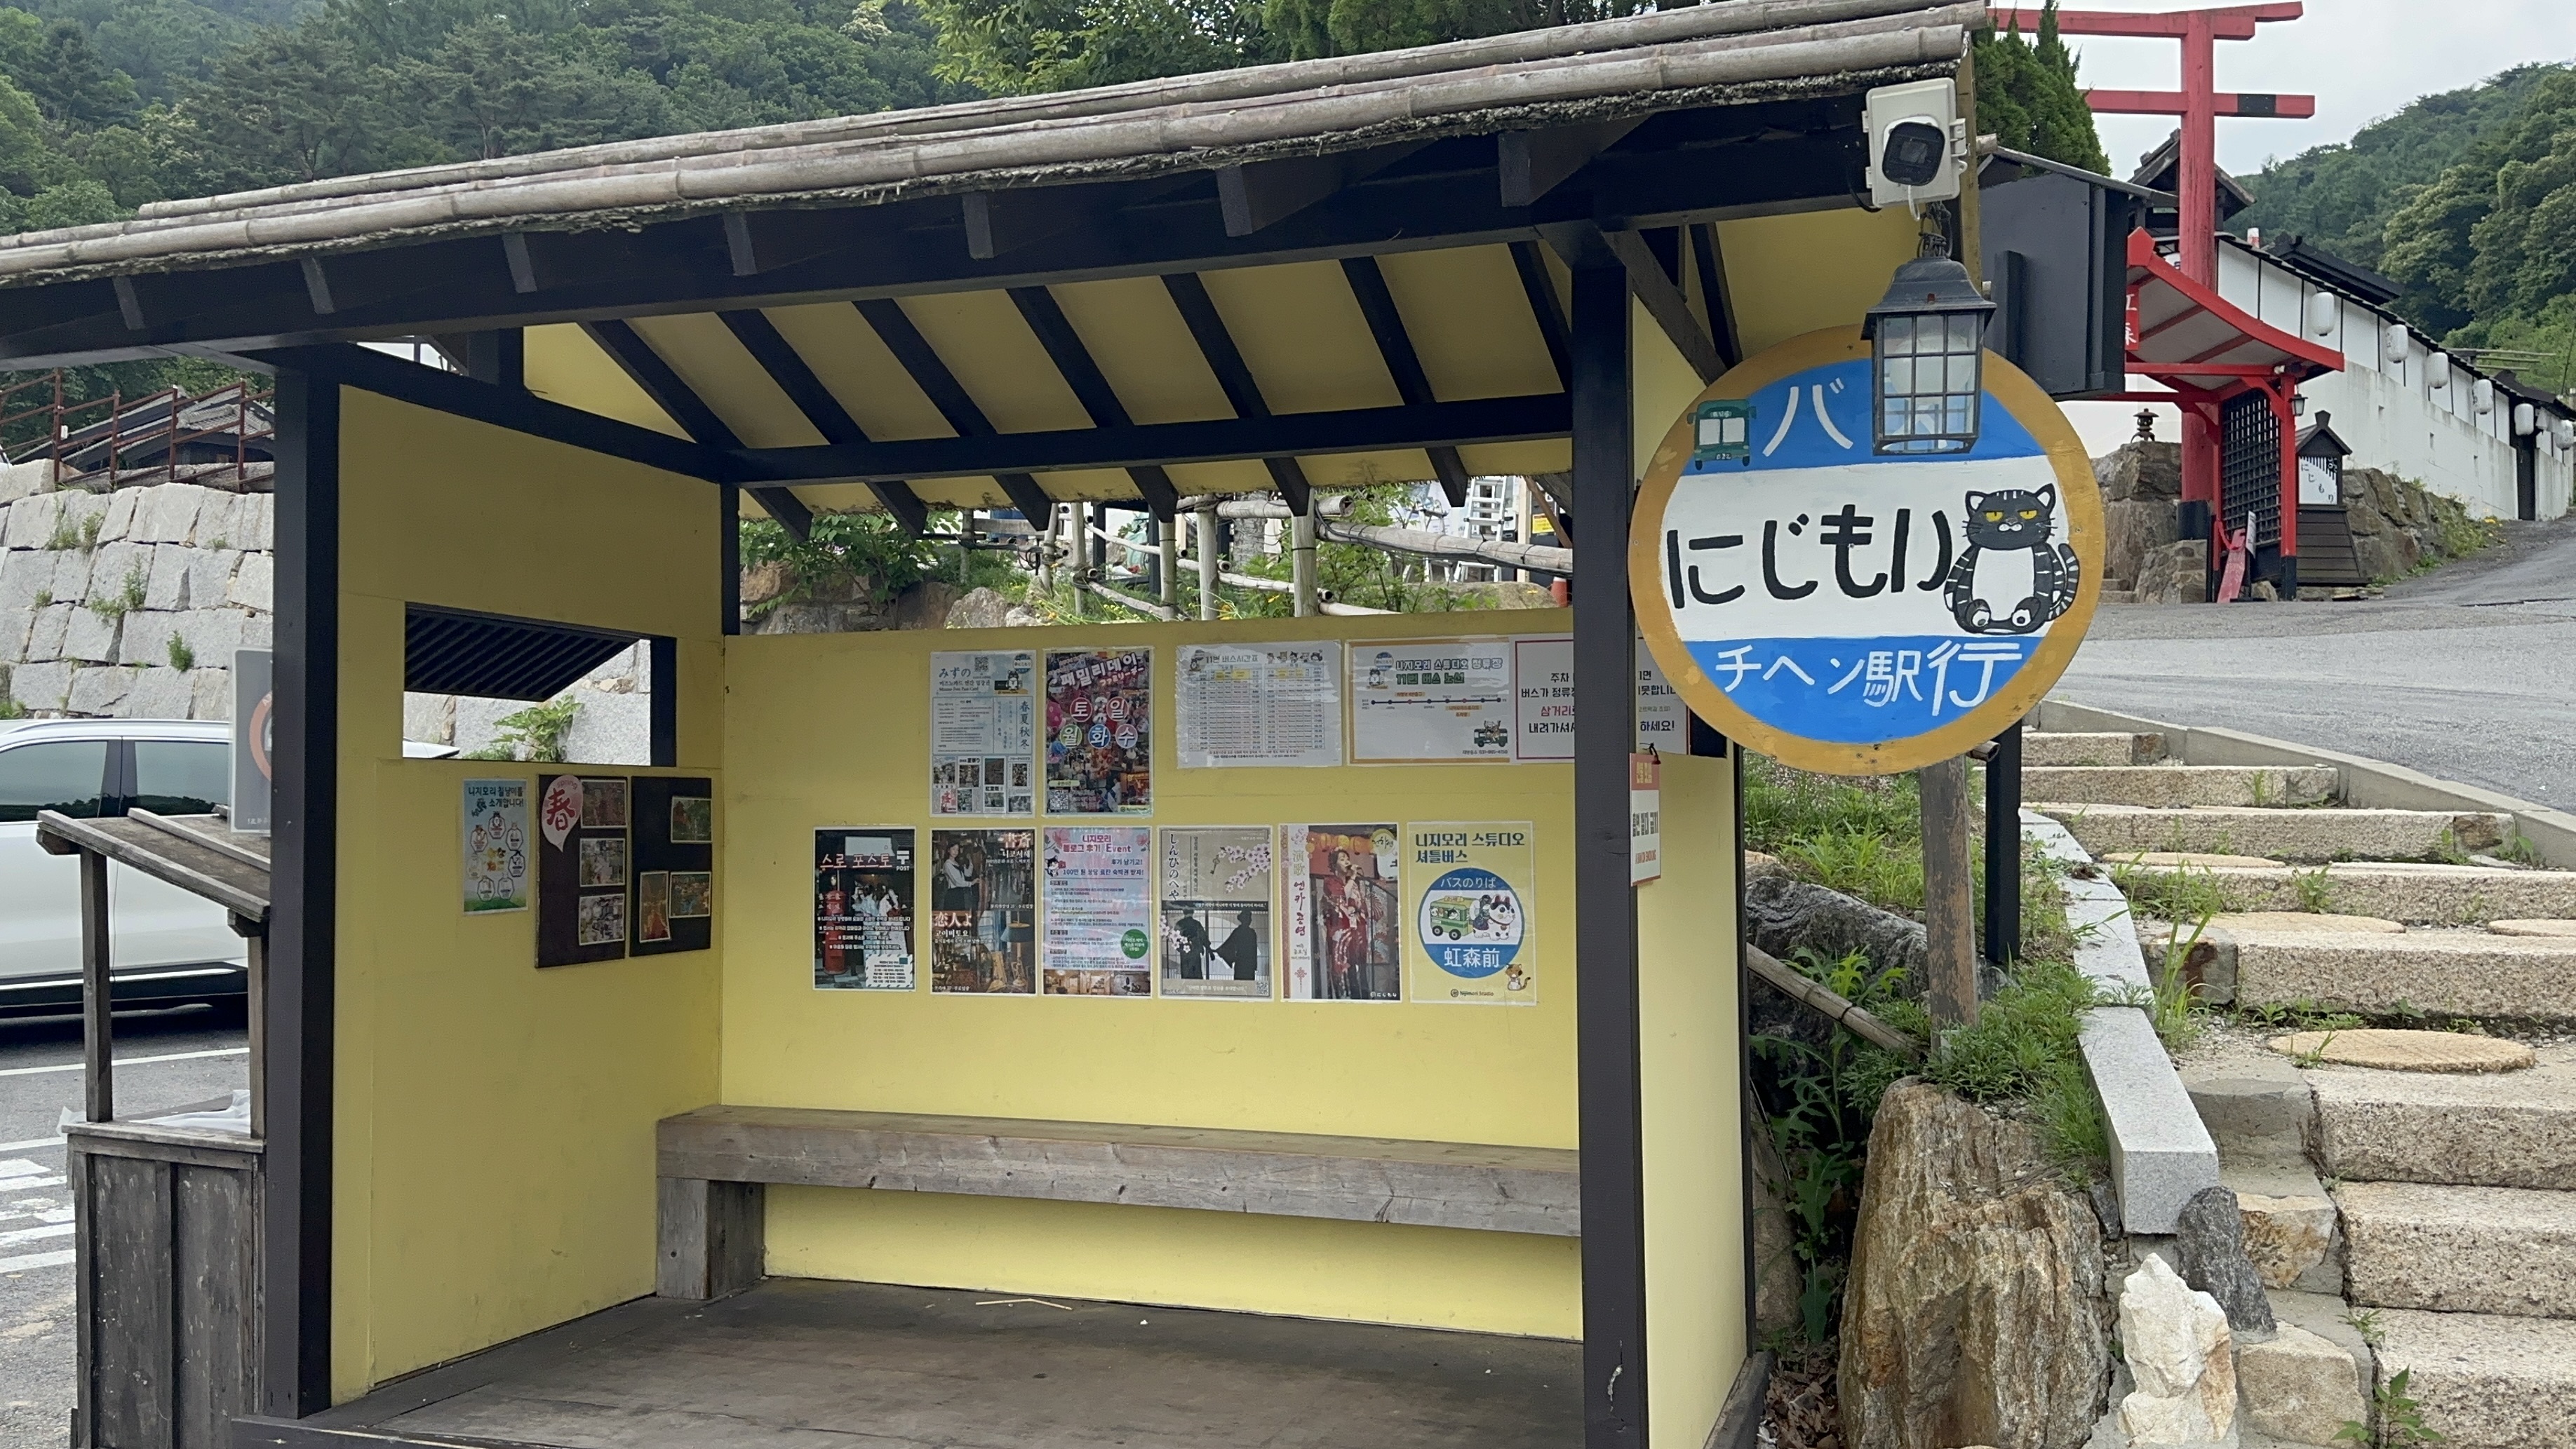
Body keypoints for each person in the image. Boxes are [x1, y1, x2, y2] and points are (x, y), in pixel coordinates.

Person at [1216, 909, 1260, 982]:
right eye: (1249, 918)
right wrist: (1254, 965)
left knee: (1240, 984)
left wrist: (1220, 951)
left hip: (1241, 963)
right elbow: (1254, 951)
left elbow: (1227, 945)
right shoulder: (1251, 933)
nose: (1250, 920)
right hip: (1247, 963)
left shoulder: (1239, 932)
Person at [1171, 915, 1211, 980]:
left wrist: (1180, 948)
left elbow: (1174, 938)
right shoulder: (1196, 924)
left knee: (1186, 974)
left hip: (1186, 953)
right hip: (1195, 952)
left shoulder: (1180, 924)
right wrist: (1209, 950)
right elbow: (1204, 938)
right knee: (1196, 973)